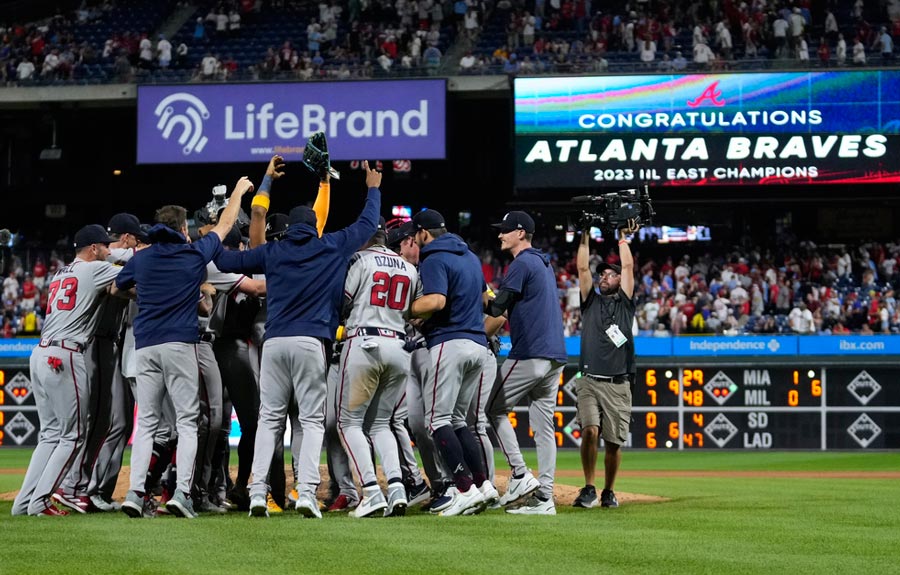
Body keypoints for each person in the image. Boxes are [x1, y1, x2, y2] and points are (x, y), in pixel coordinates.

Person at [214, 162, 381, 519]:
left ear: (288, 228)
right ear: (315, 227)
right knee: (310, 421)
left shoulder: (274, 251)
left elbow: (228, 260)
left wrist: (211, 239)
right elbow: (367, 226)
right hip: (311, 342)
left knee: (268, 420)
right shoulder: (330, 246)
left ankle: (257, 493)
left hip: (274, 343)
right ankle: (305, 492)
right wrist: (373, 188)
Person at [119, 177, 254, 519]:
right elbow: (224, 225)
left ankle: (136, 494)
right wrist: (238, 192)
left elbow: (117, 289)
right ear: (182, 228)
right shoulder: (194, 253)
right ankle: (181, 493)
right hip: (179, 342)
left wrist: (146, 295)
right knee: (188, 421)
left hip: (146, 346)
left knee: (147, 423)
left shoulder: (141, 258)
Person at [12, 225, 123, 516]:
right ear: (93, 249)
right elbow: (134, 270)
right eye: (105, 246)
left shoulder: (61, 272)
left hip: (40, 353)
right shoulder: (93, 270)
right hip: (65, 354)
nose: (109, 251)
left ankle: (23, 503)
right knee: (73, 435)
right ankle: (41, 501)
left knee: (49, 434)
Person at [410, 209, 497, 517]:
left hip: (450, 343)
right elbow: (490, 301)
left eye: (416, 235)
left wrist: (408, 310)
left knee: (437, 421)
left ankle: (462, 489)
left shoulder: (434, 256)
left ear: (423, 233)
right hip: (478, 344)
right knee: (459, 421)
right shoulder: (471, 257)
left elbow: (435, 301)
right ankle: (483, 485)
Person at [337, 217, 421, 518]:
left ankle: (372, 491)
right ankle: (397, 488)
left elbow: (342, 302)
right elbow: (417, 311)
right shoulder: (409, 268)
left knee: (349, 423)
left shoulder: (359, 259)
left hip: (365, 344)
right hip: (399, 347)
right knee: (381, 423)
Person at [485, 211, 567, 515]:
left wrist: (474, 295)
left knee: (490, 408)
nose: (500, 235)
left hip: (531, 353)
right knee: (544, 428)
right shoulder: (543, 263)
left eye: (505, 231)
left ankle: (519, 474)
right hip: (555, 356)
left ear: (520, 233)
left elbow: (497, 306)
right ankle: (545, 497)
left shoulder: (521, 263)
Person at [572, 219, 640, 509]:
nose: (604, 278)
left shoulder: (624, 303)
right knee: (590, 430)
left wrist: (622, 239)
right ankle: (588, 486)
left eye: (610, 275)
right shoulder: (590, 302)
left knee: (613, 442)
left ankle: (608, 491)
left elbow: (628, 268)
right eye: (603, 275)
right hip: (589, 379)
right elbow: (582, 268)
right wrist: (585, 236)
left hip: (618, 382)